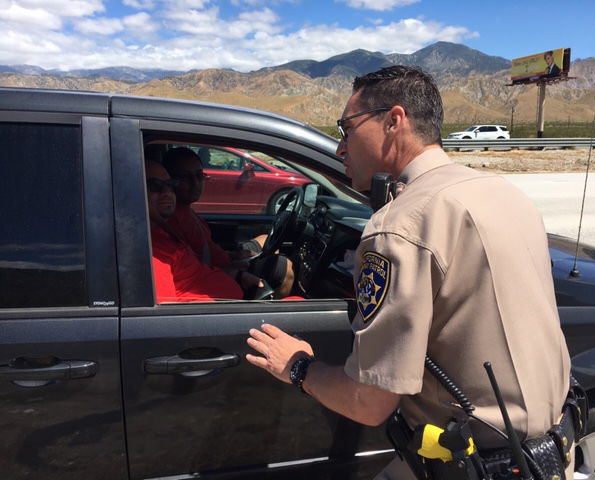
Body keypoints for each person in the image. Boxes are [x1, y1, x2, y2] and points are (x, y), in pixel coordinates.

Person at [245, 66, 573, 479]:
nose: (341, 148)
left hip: (474, 464)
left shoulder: (398, 227)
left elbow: (368, 403)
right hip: (552, 451)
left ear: (393, 121)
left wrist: (298, 366)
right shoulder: (504, 192)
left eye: (347, 129)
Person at [162, 147, 294, 298]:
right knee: (285, 268)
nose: (195, 182)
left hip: (224, 260)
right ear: (170, 180)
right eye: (186, 177)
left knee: (265, 239)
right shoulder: (174, 219)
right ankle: (274, 308)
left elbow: (206, 249)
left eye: (199, 175)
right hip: (220, 270)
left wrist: (233, 255)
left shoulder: (184, 209)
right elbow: (197, 266)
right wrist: (234, 264)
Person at [146, 159, 248, 302]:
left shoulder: (163, 233)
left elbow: (196, 272)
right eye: (155, 186)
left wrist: (237, 275)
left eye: (170, 184)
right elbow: (163, 311)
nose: (167, 192)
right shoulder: (149, 252)